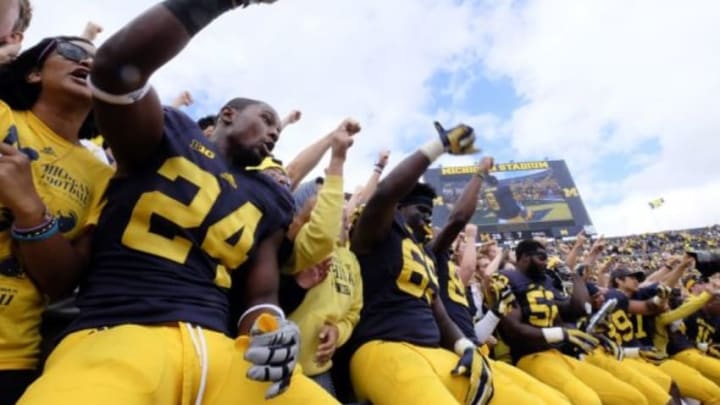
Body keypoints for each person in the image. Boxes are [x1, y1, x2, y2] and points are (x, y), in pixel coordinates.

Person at [18, 1, 338, 404]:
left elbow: (260, 296)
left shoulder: (271, 198)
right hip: (118, 334)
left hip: (223, 352)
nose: (275, 131)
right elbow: (117, 67)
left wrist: (270, 327)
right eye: (267, 119)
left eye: (278, 128)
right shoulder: (168, 132)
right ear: (226, 114)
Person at [347, 121, 496, 405]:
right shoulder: (376, 233)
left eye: (430, 212)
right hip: (383, 348)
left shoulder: (423, 253)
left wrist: (463, 344)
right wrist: (438, 147)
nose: (428, 218)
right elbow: (386, 193)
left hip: (433, 352)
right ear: (399, 208)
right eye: (421, 210)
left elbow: (437, 311)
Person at [0, 35, 114, 404]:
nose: (88, 63)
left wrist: (30, 210)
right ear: (34, 73)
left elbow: (62, 282)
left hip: (9, 357)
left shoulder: (104, 178)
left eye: (101, 64)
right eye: (72, 52)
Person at [498, 239, 649, 405]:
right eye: (541, 257)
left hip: (559, 354)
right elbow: (514, 329)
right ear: (525, 257)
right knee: (587, 400)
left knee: (633, 398)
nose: (545, 262)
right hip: (530, 357)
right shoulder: (505, 279)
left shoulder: (545, 282)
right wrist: (560, 334)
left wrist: (576, 277)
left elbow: (578, 309)